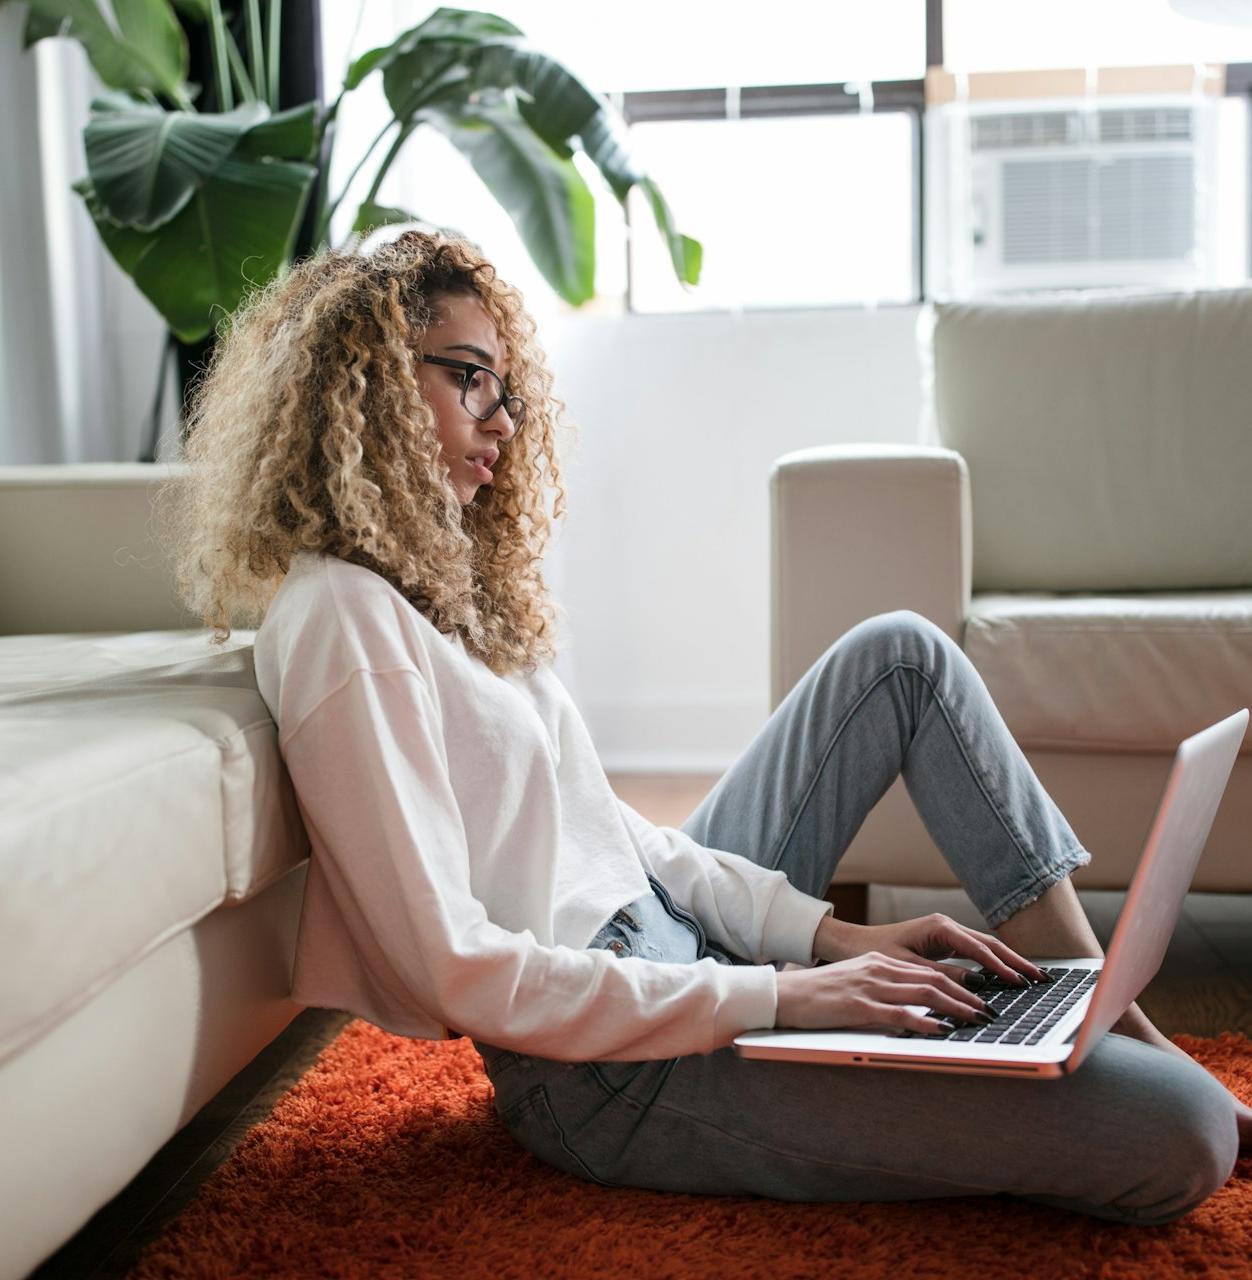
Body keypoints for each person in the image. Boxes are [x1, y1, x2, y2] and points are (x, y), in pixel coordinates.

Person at [156, 228, 1246, 1227]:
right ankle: (1106, 1052)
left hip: (680, 953)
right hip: (607, 1071)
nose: (503, 415)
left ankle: (1103, 1008)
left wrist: (829, 940)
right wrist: (782, 995)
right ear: (368, 388)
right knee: (1179, 1135)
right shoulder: (342, 619)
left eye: (508, 385)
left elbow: (619, 836)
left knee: (900, 654)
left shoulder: (450, 592)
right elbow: (455, 966)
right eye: (469, 376)